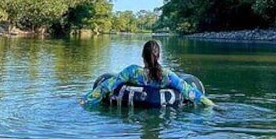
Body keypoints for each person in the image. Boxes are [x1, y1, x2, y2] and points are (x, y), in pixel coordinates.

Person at [79, 40, 214, 107]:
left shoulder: (132, 72)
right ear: (159, 56)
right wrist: (212, 105)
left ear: (142, 55)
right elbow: (189, 91)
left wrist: (85, 100)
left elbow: (107, 85)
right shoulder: (167, 75)